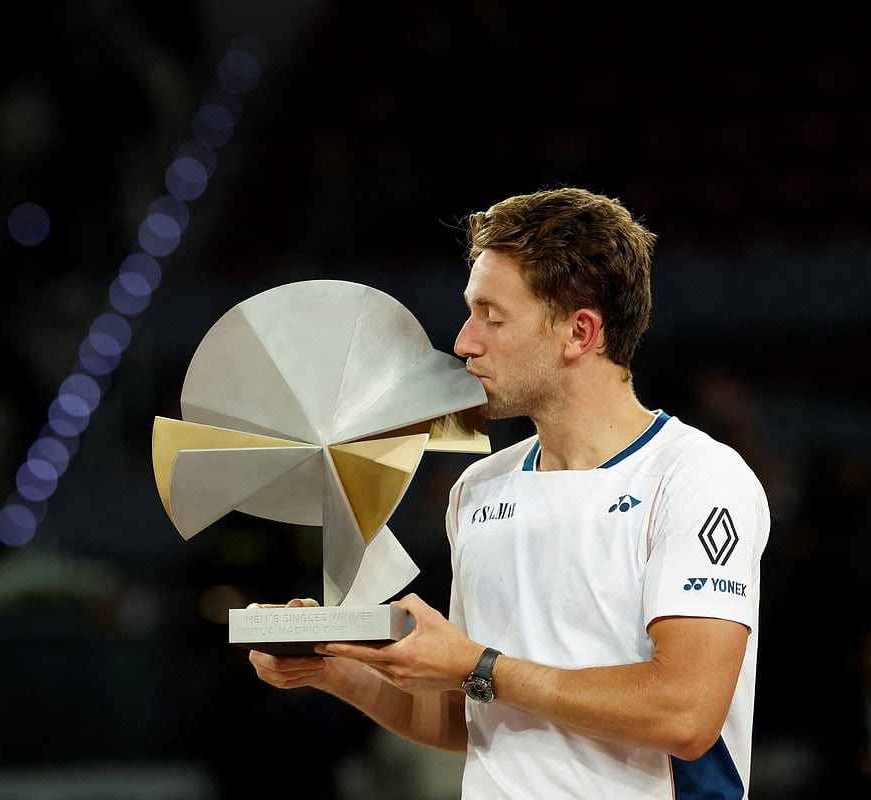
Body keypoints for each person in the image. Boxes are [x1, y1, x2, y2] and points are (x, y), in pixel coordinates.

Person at [248, 186, 771, 798]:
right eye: (471, 312)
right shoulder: (478, 489)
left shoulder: (697, 477)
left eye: (493, 317)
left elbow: (684, 714)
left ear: (579, 333)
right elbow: (475, 716)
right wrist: (335, 666)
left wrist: (477, 665)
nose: (465, 341)